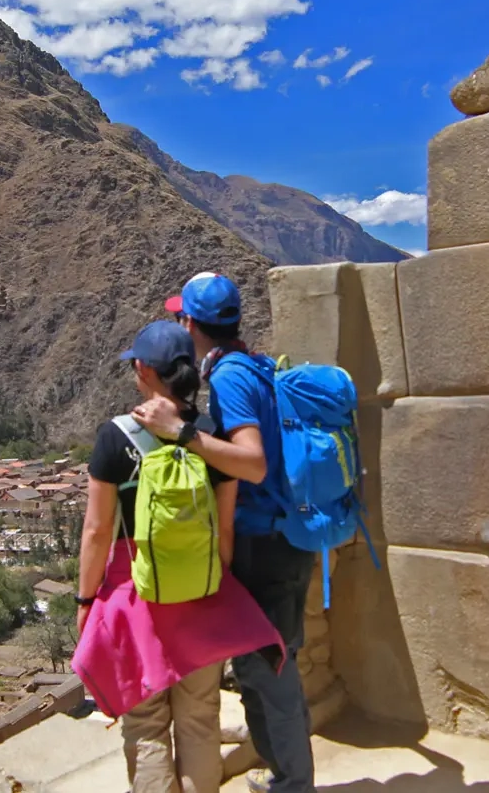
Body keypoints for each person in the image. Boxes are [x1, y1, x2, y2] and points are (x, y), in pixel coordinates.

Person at [72, 320, 284, 793]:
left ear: (144, 370)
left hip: (136, 597)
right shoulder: (210, 435)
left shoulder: (116, 436)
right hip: (203, 592)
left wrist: (86, 601)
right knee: (199, 719)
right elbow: (224, 527)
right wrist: (214, 585)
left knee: (145, 721)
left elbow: (98, 529)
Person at [133, 274, 315, 793]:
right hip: (288, 537)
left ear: (190, 324)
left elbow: (253, 464)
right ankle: (287, 775)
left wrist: (182, 433)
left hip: (264, 545)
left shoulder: (231, 376)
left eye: (179, 319)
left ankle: (293, 786)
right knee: (275, 666)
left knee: (267, 674)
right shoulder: (255, 363)